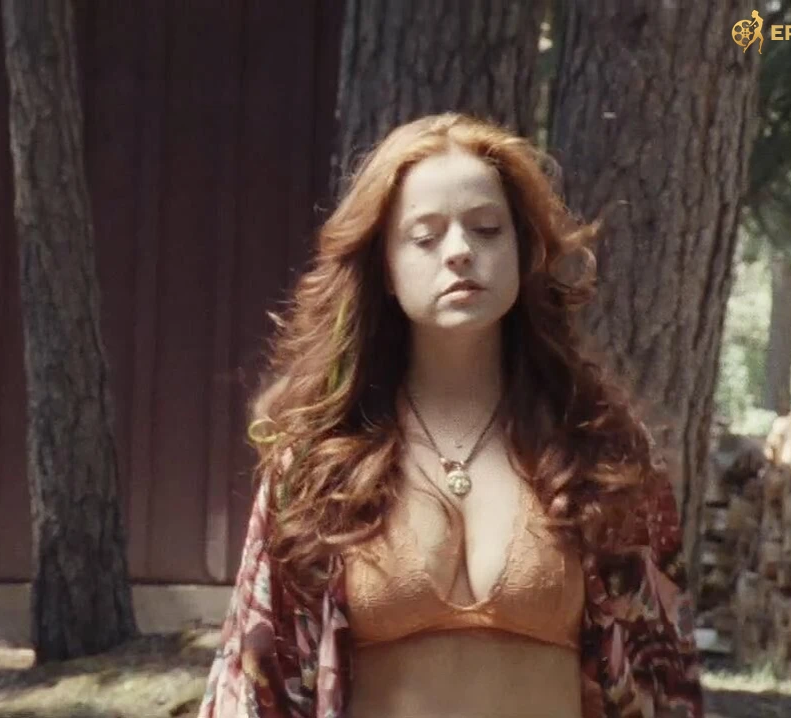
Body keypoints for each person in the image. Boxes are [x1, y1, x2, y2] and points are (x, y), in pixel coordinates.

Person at [198, 113, 703, 718]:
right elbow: (256, 685)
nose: (461, 251)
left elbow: (663, 681)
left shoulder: (601, 452)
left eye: (487, 229)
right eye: (425, 236)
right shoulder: (317, 466)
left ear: (523, 251)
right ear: (385, 268)